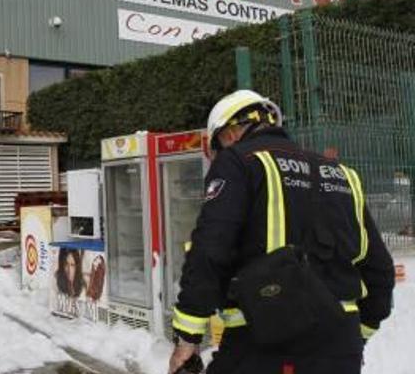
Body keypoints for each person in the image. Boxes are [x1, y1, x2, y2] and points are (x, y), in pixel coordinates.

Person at [167, 90, 395, 374]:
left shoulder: (239, 161)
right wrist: (357, 333)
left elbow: (210, 249)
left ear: (231, 133)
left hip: (265, 339)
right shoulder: (342, 174)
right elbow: (380, 269)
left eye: (218, 147)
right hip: (341, 344)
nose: (219, 156)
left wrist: (187, 337)